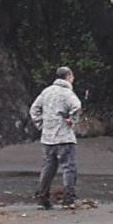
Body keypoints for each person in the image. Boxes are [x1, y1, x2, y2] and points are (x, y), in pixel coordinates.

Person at [30, 66, 82, 209]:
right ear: (69, 76)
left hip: (47, 138)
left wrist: (42, 125)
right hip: (64, 136)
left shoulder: (46, 92)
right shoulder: (67, 93)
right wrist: (72, 120)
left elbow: (34, 109)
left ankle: (42, 198)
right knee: (69, 167)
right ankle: (68, 199)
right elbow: (77, 106)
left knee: (48, 167)